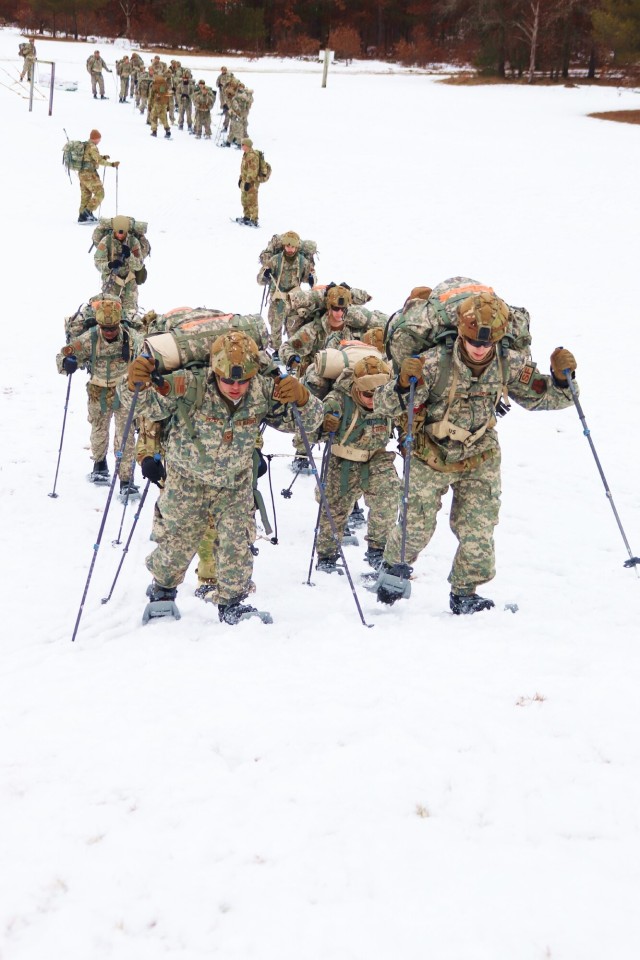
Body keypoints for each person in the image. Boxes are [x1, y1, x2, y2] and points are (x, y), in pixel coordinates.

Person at [372, 291, 578, 613]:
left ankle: (464, 592)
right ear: (461, 333)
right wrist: (400, 385)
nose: (479, 348)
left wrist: (563, 381)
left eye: (487, 343)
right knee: (416, 527)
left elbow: (544, 398)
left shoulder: (508, 362)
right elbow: (383, 405)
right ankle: (393, 569)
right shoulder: (432, 363)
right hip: (432, 455)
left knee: (479, 530)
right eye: (473, 341)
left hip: (480, 454)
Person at [122, 331, 324, 625]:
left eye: (242, 381)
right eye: (228, 380)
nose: (235, 387)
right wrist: (133, 384)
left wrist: (304, 398)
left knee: (236, 542)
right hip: (187, 479)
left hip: (234, 481)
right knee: (177, 541)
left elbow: (303, 424)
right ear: (215, 372)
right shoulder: (190, 386)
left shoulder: (262, 391)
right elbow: (140, 406)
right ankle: (162, 590)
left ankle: (232, 601)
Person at [315, 355, 400, 574]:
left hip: (377, 457)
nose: (374, 400)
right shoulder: (337, 400)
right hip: (343, 460)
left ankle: (378, 551)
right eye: (367, 394)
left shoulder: (389, 399)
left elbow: (404, 417)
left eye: (378, 394)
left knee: (389, 495)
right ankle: (327, 556)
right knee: (333, 509)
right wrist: (324, 424)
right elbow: (310, 430)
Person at [56, 298, 141, 495]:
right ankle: (100, 464)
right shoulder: (89, 338)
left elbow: (146, 349)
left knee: (125, 435)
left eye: (113, 328)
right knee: (99, 429)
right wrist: (67, 362)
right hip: (98, 391)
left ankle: (126, 480)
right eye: (105, 328)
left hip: (124, 391)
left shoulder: (131, 337)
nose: (110, 332)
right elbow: (63, 355)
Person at [257, 231, 315, 357]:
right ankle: (276, 351)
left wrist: (311, 278)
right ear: (284, 246)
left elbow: (310, 277)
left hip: (294, 300)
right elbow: (260, 280)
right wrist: (265, 275)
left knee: (294, 328)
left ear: (297, 247)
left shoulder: (302, 262)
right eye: (288, 246)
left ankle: (291, 353)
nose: (290, 249)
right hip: (277, 299)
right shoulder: (275, 260)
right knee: (275, 327)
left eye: (293, 247)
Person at [94, 215, 145, 317]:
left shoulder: (133, 242)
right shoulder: (106, 241)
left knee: (131, 314)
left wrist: (129, 256)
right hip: (112, 281)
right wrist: (110, 265)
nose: (120, 236)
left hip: (129, 282)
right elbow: (98, 263)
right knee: (109, 313)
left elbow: (139, 265)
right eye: (118, 232)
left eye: (123, 233)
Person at [77, 129, 119, 224]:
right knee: (100, 193)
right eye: (99, 139)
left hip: (82, 174)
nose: (99, 141)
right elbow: (98, 161)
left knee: (86, 195)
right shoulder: (92, 147)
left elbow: (90, 158)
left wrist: (103, 157)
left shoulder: (85, 145)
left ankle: (82, 216)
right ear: (95, 138)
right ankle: (87, 213)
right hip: (89, 174)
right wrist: (111, 164)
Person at [236, 138, 261, 226]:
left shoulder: (253, 156)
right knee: (244, 200)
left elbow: (253, 171)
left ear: (247, 145)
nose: (241, 146)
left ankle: (254, 220)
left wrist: (248, 182)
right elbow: (244, 170)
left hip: (251, 183)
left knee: (252, 201)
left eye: (243, 144)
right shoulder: (245, 154)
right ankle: (246, 216)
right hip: (244, 181)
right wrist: (240, 179)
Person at [148, 71, 172, 138]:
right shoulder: (164, 85)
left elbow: (151, 96)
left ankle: (154, 131)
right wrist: (168, 105)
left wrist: (149, 105)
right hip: (163, 103)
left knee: (153, 117)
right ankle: (167, 130)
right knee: (164, 118)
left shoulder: (154, 84)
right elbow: (167, 95)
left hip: (156, 104)